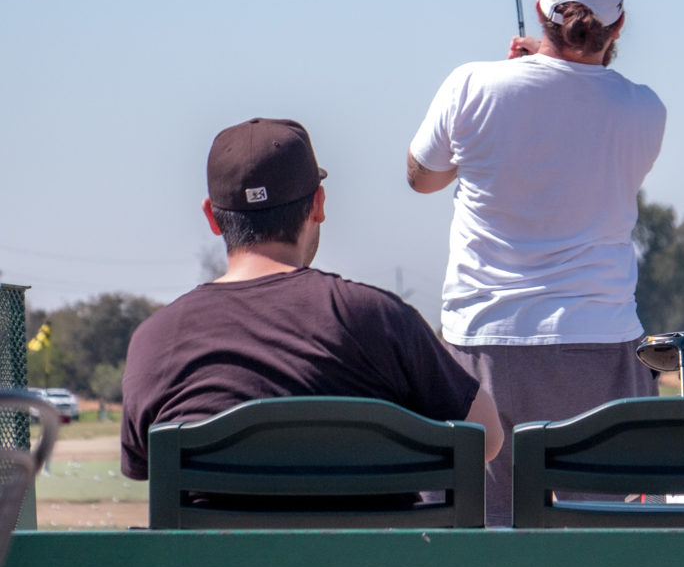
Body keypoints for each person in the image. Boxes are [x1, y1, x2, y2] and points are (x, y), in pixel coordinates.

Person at [407, 0, 666, 525]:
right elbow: (574, 118)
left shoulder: (472, 85)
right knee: (590, 543)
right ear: (619, 24)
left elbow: (420, 176)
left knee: (489, 542)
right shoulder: (646, 111)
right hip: (604, 350)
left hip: (485, 347)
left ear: (540, 11)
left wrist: (508, 86)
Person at [121, 116, 502, 481]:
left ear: (212, 216)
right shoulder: (378, 319)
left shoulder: (155, 340)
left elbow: (143, 467)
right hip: (360, 550)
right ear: (318, 204)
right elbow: (485, 437)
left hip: (213, 550)